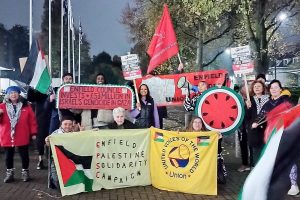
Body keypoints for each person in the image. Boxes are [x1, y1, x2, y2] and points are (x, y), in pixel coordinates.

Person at [0, 86, 38, 183]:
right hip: (7, 134)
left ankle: (25, 172)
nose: (13, 94)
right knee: (8, 155)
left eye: (15, 93)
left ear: (18, 94)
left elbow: (32, 120)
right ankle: (9, 173)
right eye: (11, 93)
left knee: (24, 155)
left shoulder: (26, 106)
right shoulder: (2, 106)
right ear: (8, 95)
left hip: (22, 133)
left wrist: (33, 132)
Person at [45, 115, 77, 190]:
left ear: (72, 125)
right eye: (65, 124)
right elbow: (49, 144)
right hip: (57, 159)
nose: (67, 126)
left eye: (69, 124)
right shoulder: (56, 133)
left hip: (70, 160)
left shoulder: (76, 133)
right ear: (61, 124)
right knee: (57, 181)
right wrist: (47, 141)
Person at [246, 80, 269, 166]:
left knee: (265, 150)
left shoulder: (269, 99)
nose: (257, 88)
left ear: (263, 88)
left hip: (266, 129)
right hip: (254, 129)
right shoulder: (250, 99)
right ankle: (254, 168)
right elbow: (247, 117)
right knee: (255, 151)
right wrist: (248, 107)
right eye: (255, 87)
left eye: (259, 86)